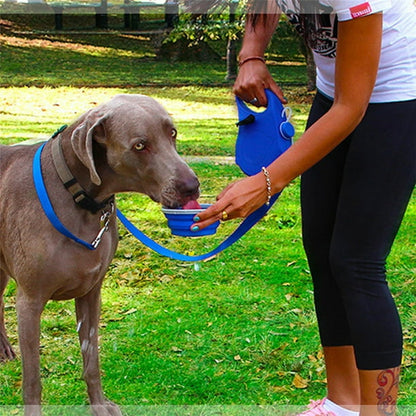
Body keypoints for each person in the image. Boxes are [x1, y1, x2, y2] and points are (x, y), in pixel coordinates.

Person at [191, 1, 416, 415]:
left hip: (399, 100)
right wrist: (252, 54)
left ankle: (379, 411)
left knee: (357, 261)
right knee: (321, 247)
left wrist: (266, 181)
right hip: (335, 96)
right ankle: (341, 404)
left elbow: (354, 108)